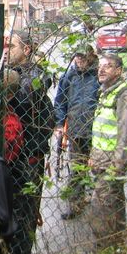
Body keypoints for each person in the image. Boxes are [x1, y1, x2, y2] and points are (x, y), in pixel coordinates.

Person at [3, 30, 54, 254]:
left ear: (28, 49)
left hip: (28, 165)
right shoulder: (6, 71)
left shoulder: (38, 75)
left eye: (10, 45)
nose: (5, 50)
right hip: (8, 163)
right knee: (3, 222)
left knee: (23, 226)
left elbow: (23, 96)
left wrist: (6, 78)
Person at [89, 53, 127, 249]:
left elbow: (126, 135)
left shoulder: (124, 94)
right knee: (112, 209)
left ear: (119, 71)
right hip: (101, 163)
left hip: (111, 167)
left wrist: (116, 169)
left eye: (108, 66)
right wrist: (93, 157)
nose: (101, 69)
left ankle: (104, 253)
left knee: (101, 209)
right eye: (100, 66)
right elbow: (102, 130)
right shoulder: (106, 92)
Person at [53, 44, 100, 220]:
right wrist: (59, 124)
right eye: (77, 56)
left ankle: (99, 203)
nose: (79, 60)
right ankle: (75, 204)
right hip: (76, 130)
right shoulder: (69, 75)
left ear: (91, 56)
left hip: (98, 132)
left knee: (100, 169)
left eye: (83, 56)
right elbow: (60, 102)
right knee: (78, 169)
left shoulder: (99, 75)